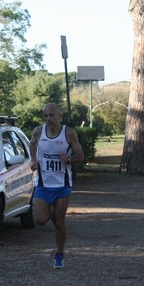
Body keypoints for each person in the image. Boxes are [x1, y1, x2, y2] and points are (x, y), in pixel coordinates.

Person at [30, 103, 84, 269]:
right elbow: (32, 144)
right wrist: (33, 160)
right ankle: (50, 211)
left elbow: (80, 155)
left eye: (51, 115)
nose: (48, 119)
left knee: (59, 222)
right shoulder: (38, 132)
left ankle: (59, 254)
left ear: (59, 116)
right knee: (40, 220)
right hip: (43, 184)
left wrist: (68, 160)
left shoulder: (68, 133)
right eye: (45, 116)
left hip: (62, 185)